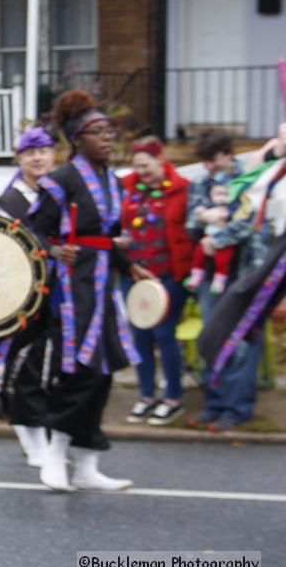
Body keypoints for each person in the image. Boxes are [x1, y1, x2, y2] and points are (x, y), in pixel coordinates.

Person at [28, 90, 155, 492]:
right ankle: (53, 453)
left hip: (105, 289)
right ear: (76, 139)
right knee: (77, 370)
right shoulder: (62, 180)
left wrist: (130, 266)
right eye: (96, 132)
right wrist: (52, 247)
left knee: (102, 373)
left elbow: (109, 238)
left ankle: (86, 465)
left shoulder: (113, 183)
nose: (107, 138)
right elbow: (31, 230)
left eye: (109, 131)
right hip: (72, 289)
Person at [191, 127, 283, 432]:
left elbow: (250, 221)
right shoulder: (203, 183)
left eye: (212, 160)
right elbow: (191, 221)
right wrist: (204, 218)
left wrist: (220, 234)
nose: (209, 167)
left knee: (243, 340)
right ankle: (214, 403)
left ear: (228, 154)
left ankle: (237, 407)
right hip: (210, 276)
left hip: (246, 273)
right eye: (204, 161)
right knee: (213, 335)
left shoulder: (256, 175)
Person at [0, 125, 56, 467]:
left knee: (53, 365)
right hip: (20, 297)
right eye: (30, 152)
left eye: (43, 151)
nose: (38, 158)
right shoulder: (4, 204)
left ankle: (48, 433)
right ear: (19, 158)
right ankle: (29, 432)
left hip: (60, 295)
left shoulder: (61, 195)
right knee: (23, 362)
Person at [117, 136, 193, 426]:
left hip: (167, 274)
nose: (142, 172)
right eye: (137, 166)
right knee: (139, 336)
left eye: (146, 165)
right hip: (133, 273)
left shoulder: (181, 189)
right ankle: (146, 396)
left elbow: (188, 230)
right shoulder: (127, 188)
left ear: (160, 161)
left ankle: (173, 397)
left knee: (164, 334)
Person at [184, 175, 236, 294]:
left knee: (222, 261)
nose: (222, 198)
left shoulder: (231, 208)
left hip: (224, 242)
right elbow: (194, 221)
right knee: (199, 255)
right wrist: (202, 214)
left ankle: (219, 281)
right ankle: (196, 276)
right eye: (218, 194)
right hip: (207, 237)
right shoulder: (208, 206)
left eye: (225, 194)